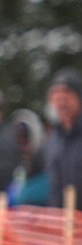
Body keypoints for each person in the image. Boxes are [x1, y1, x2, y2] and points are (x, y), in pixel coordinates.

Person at [45, 68, 82, 206]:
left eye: (67, 94)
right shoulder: (54, 139)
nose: (61, 102)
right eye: (56, 96)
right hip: (62, 220)